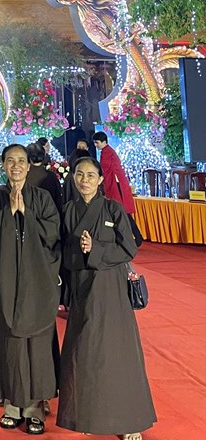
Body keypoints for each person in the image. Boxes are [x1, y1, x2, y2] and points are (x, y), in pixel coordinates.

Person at [56, 156, 156, 440]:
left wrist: (95, 248)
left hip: (111, 290)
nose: (84, 180)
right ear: (73, 178)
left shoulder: (113, 208)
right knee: (84, 353)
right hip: (83, 288)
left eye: (91, 175)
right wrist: (80, 252)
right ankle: (88, 415)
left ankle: (128, 421)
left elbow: (129, 248)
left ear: (100, 180)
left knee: (117, 354)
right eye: (79, 174)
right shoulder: (68, 210)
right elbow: (62, 252)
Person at [0, 144, 61, 436]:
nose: (16, 166)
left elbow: (53, 234)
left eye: (21, 161)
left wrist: (26, 213)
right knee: (9, 342)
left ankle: (35, 408)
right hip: (6, 280)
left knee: (36, 344)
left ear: (29, 165)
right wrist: (8, 213)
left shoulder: (42, 198)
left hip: (37, 281)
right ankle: (12, 406)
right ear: (3, 165)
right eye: (10, 160)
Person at [93, 131, 142, 246]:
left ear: (104, 141)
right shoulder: (108, 151)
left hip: (115, 186)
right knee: (122, 212)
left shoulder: (107, 152)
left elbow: (104, 169)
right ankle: (135, 237)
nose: (96, 145)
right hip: (117, 184)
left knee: (121, 212)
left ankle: (136, 237)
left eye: (97, 142)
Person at [26, 143, 63, 215]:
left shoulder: (22, 176)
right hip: (49, 217)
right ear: (44, 155)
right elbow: (58, 202)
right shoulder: (51, 176)